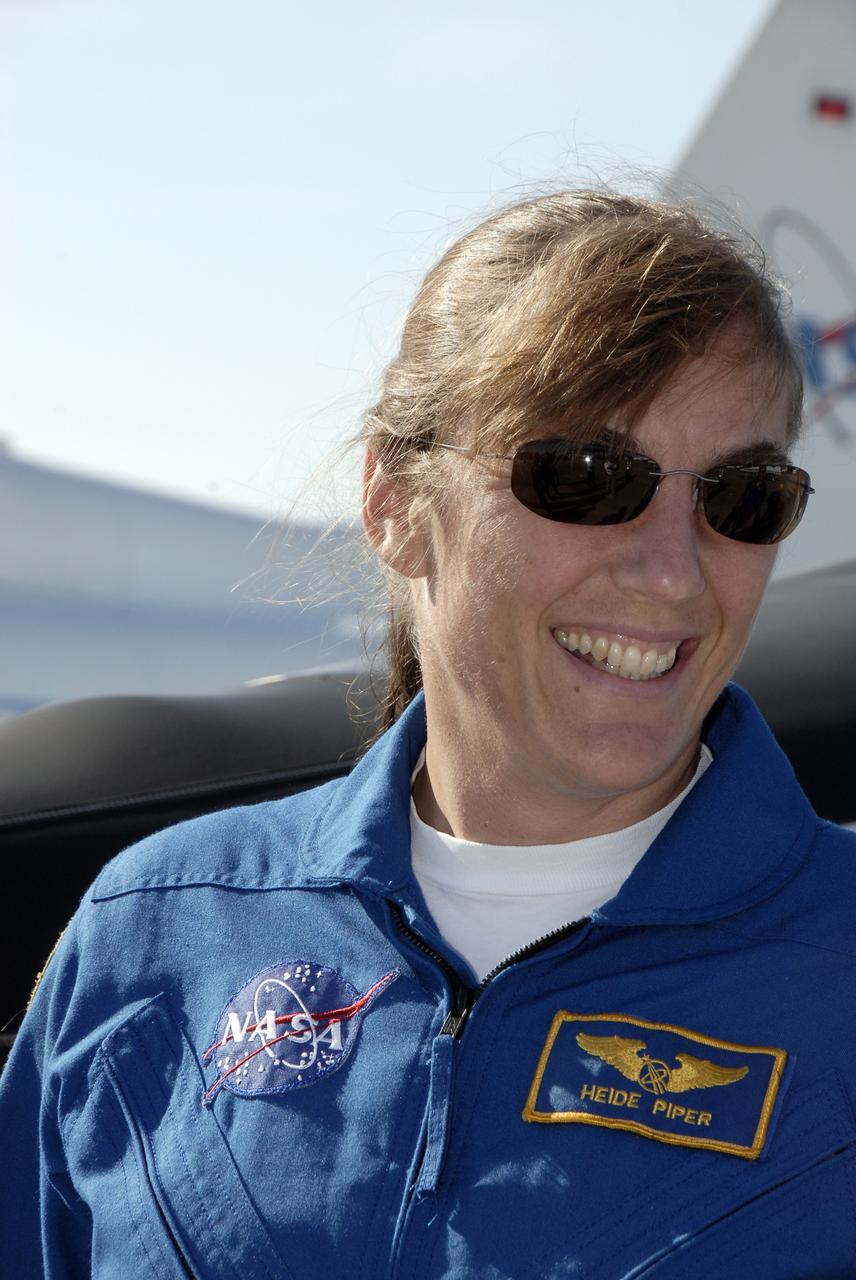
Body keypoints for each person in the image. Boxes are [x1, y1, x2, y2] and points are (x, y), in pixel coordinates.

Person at [2, 189, 854, 1279]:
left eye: (741, 495)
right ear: (396, 501)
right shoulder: (150, 939)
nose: (673, 572)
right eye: (585, 478)